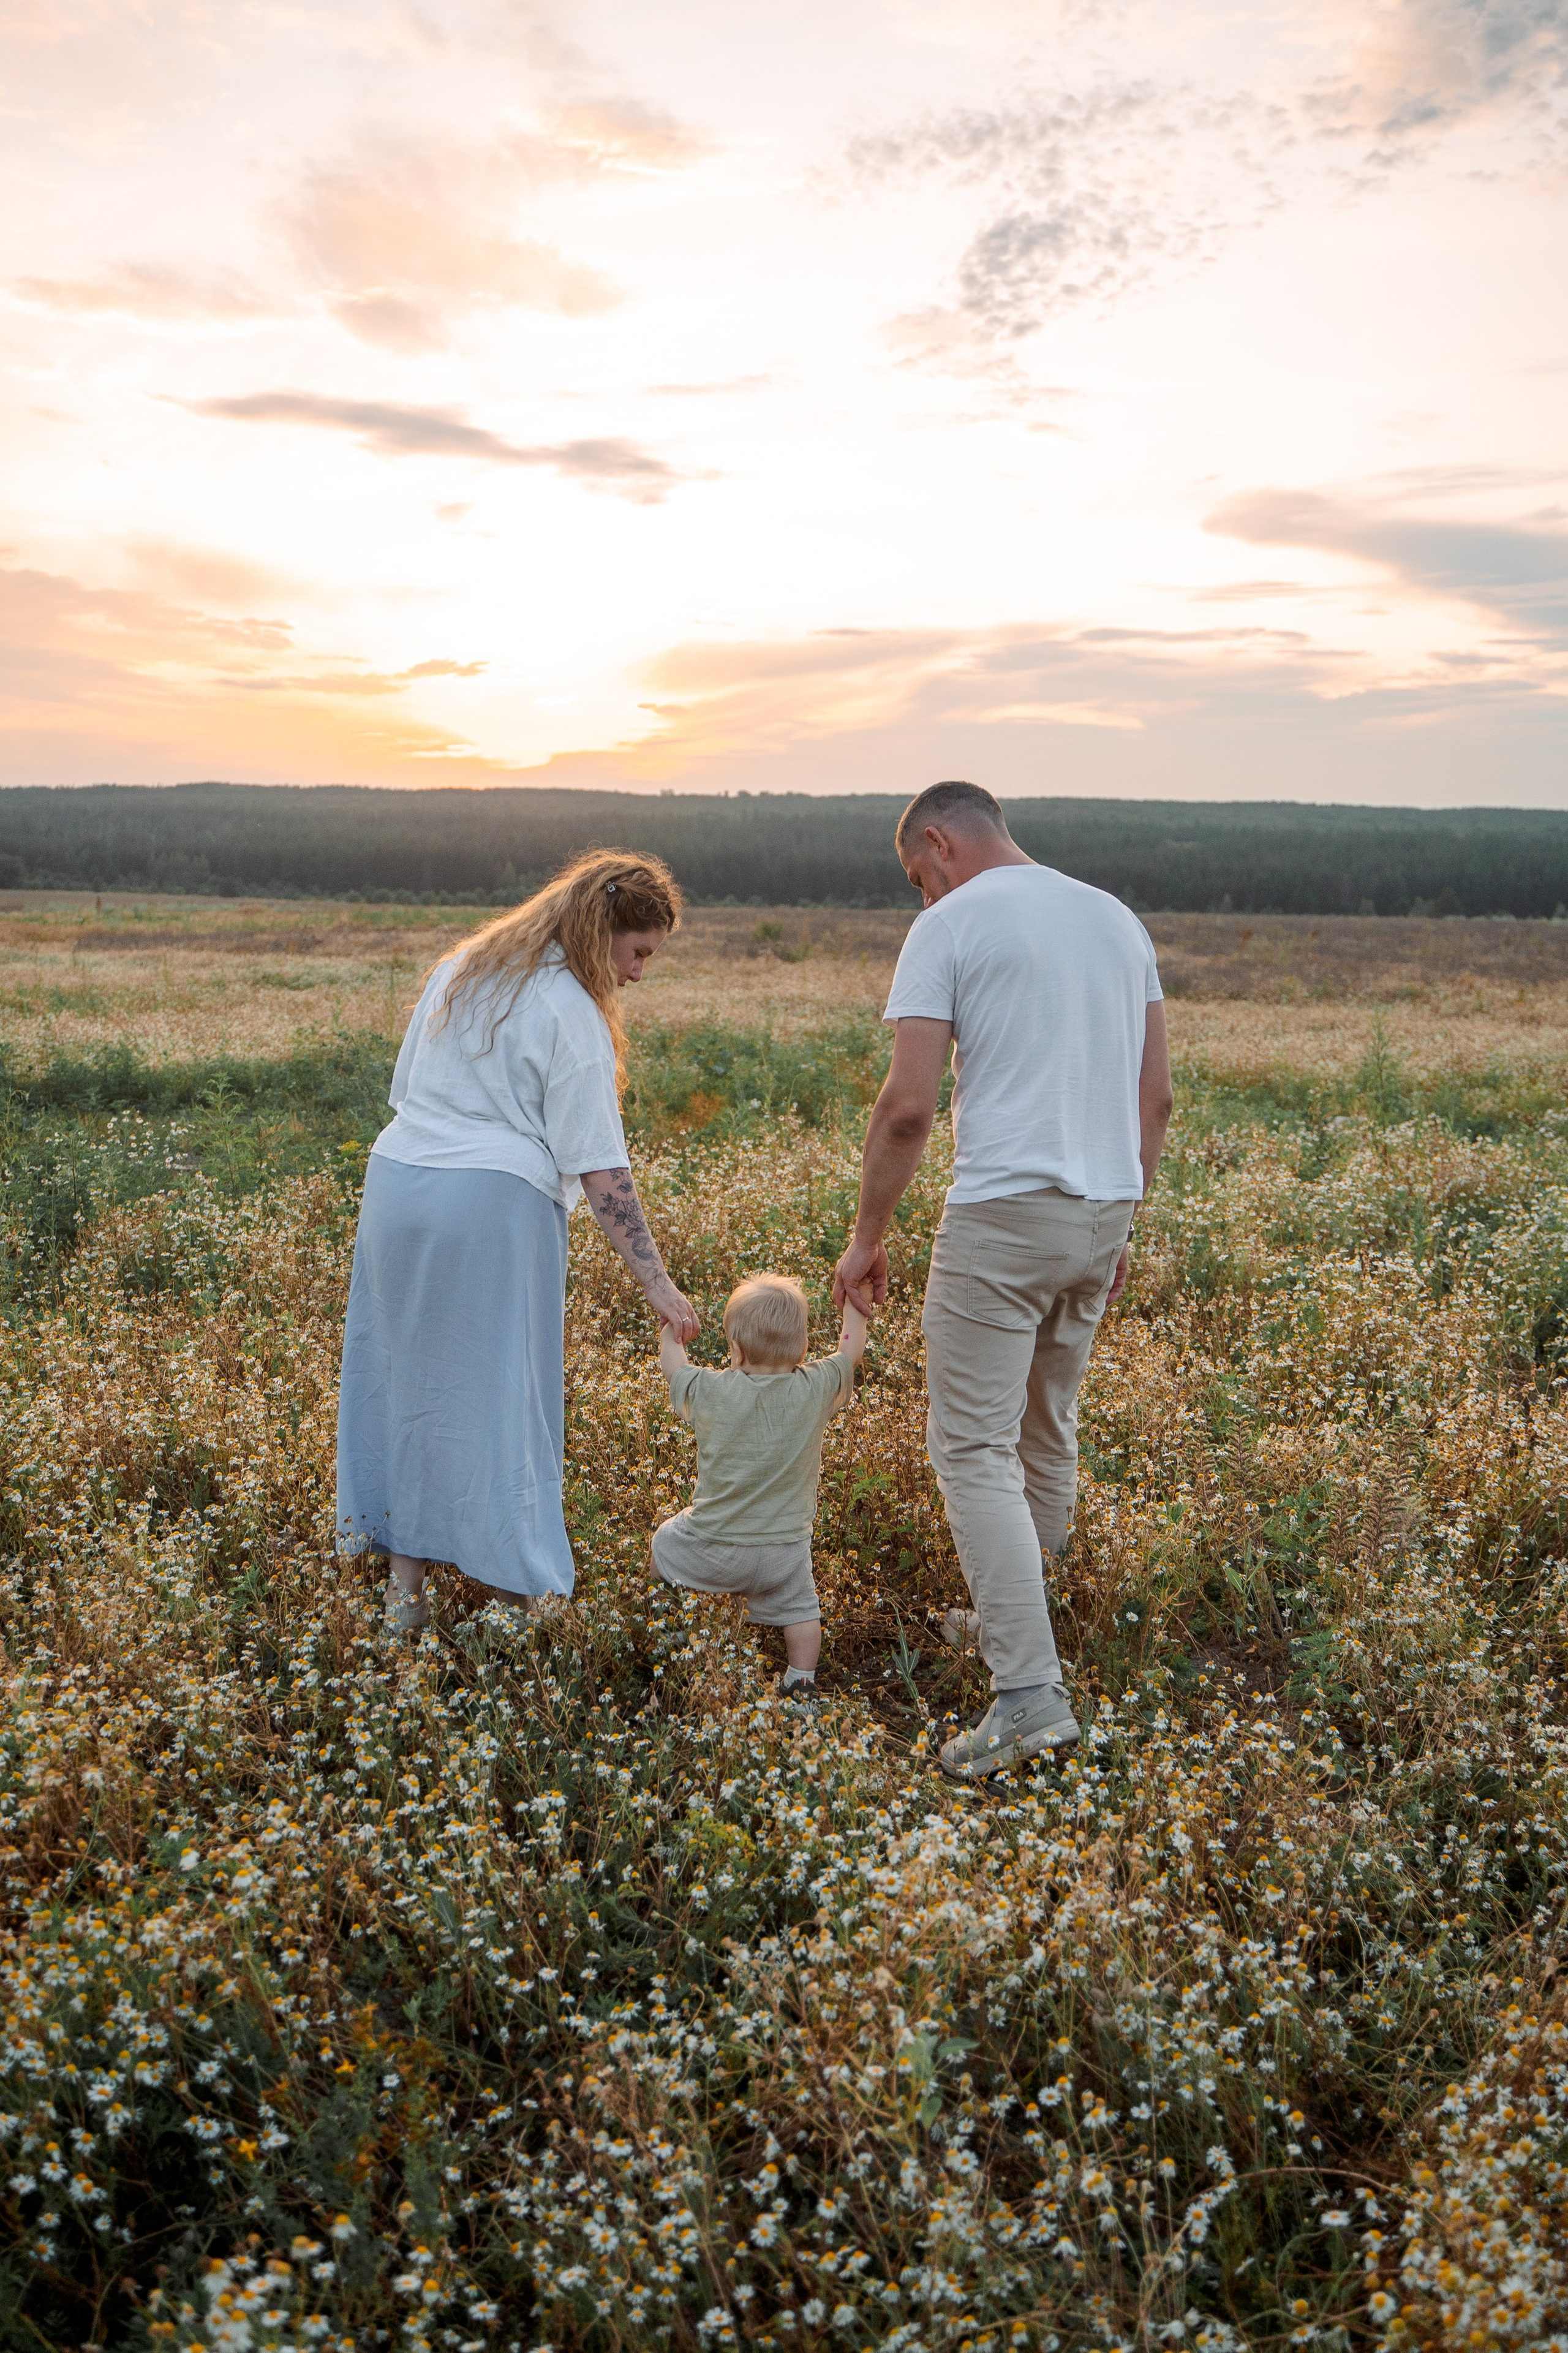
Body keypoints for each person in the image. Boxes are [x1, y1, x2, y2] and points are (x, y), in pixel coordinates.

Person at [833, 780, 1173, 1779]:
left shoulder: (951, 928)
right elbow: (1156, 1098)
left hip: (1002, 1219)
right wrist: (1119, 1225)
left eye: (916, 877)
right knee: (1044, 1425)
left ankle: (1029, 1696)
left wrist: (866, 1237)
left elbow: (906, 1110)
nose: (922, 897)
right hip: (1101, 1211)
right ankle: (1009, 1617)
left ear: (938, 841)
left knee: (972, 1448)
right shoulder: (1117, 920)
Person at [337, 850, 700, 1633]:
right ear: (603, 933)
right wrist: (658, 1285)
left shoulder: (465, 966)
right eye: (637, 953)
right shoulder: (570, 1010)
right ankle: (513, 1599)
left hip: (398, 1181)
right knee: (507, 1396)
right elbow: (600, 1167)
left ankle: (405, 1597)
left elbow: (406, 1090)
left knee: (406, 1387)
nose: (638, 974)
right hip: (488, 1205)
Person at [652, 1274, 870, 1707]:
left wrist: (670, 1324)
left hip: (713, 1547)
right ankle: (801, 1682)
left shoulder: (711, 1390)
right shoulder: (816, 1387)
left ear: (735, 1347)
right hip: (784, 1553)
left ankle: (665, 1627)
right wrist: (853, 1306)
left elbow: (672, 1364)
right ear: (803, 1348)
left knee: (663, 1542)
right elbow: (851, 1352)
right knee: (803, 1609)